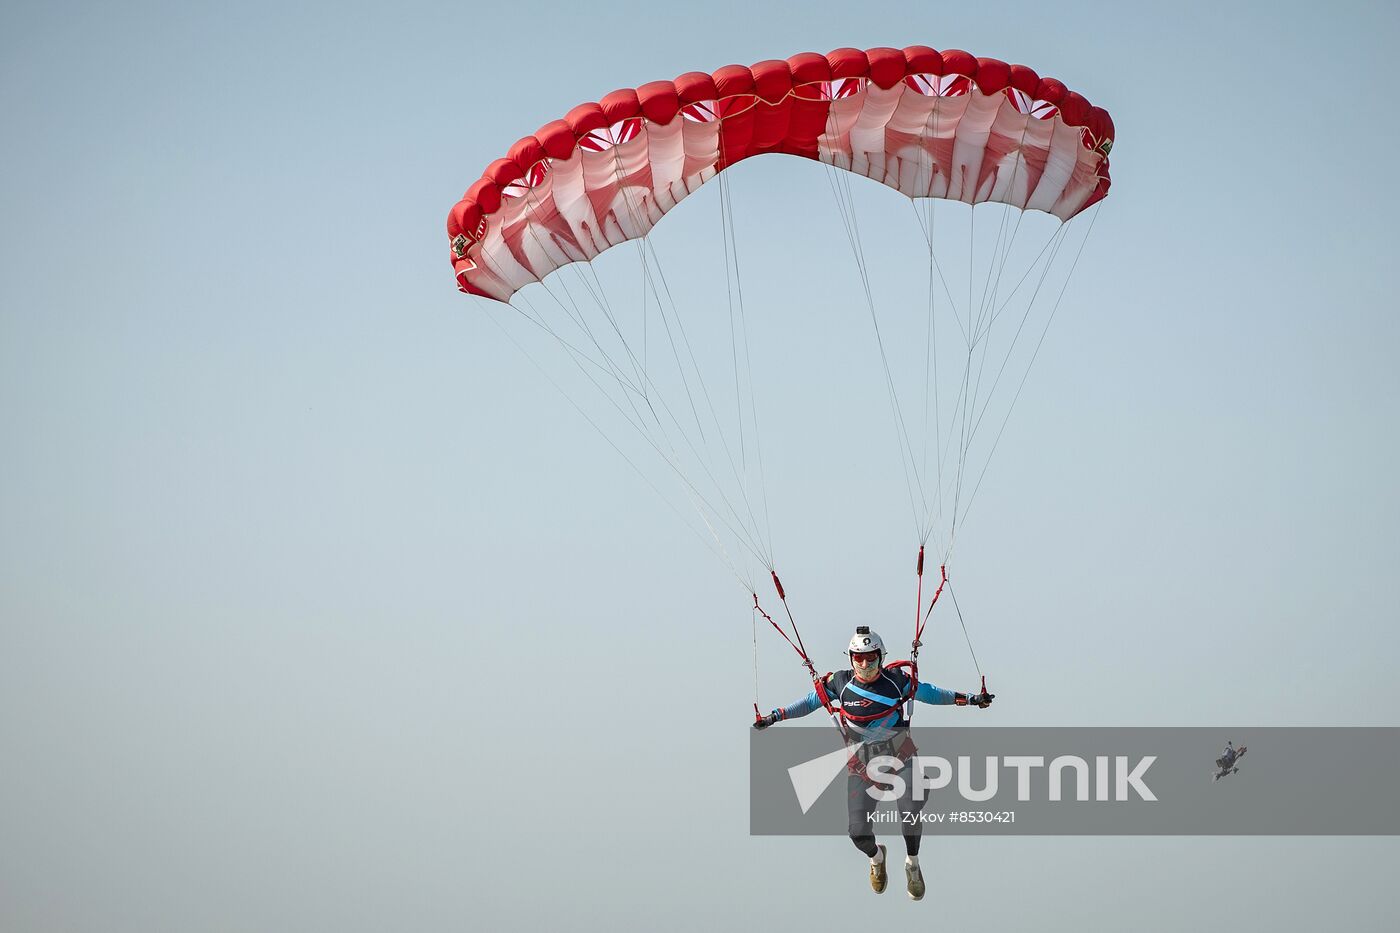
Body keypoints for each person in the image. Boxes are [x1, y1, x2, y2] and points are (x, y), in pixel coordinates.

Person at [752, 626, 994, 900]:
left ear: (881, 656)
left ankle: (912, 864)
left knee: (911, 808)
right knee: (857, 833)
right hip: (862, 767)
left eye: (871, 657)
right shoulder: (839, 683)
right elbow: (809, 702)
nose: (865, 664)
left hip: (900, 757)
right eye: (859, 658)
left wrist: (972, 700)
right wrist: (774, 717)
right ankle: (877, 858)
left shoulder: (895, 681)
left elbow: (931, 693)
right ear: (851, 658)